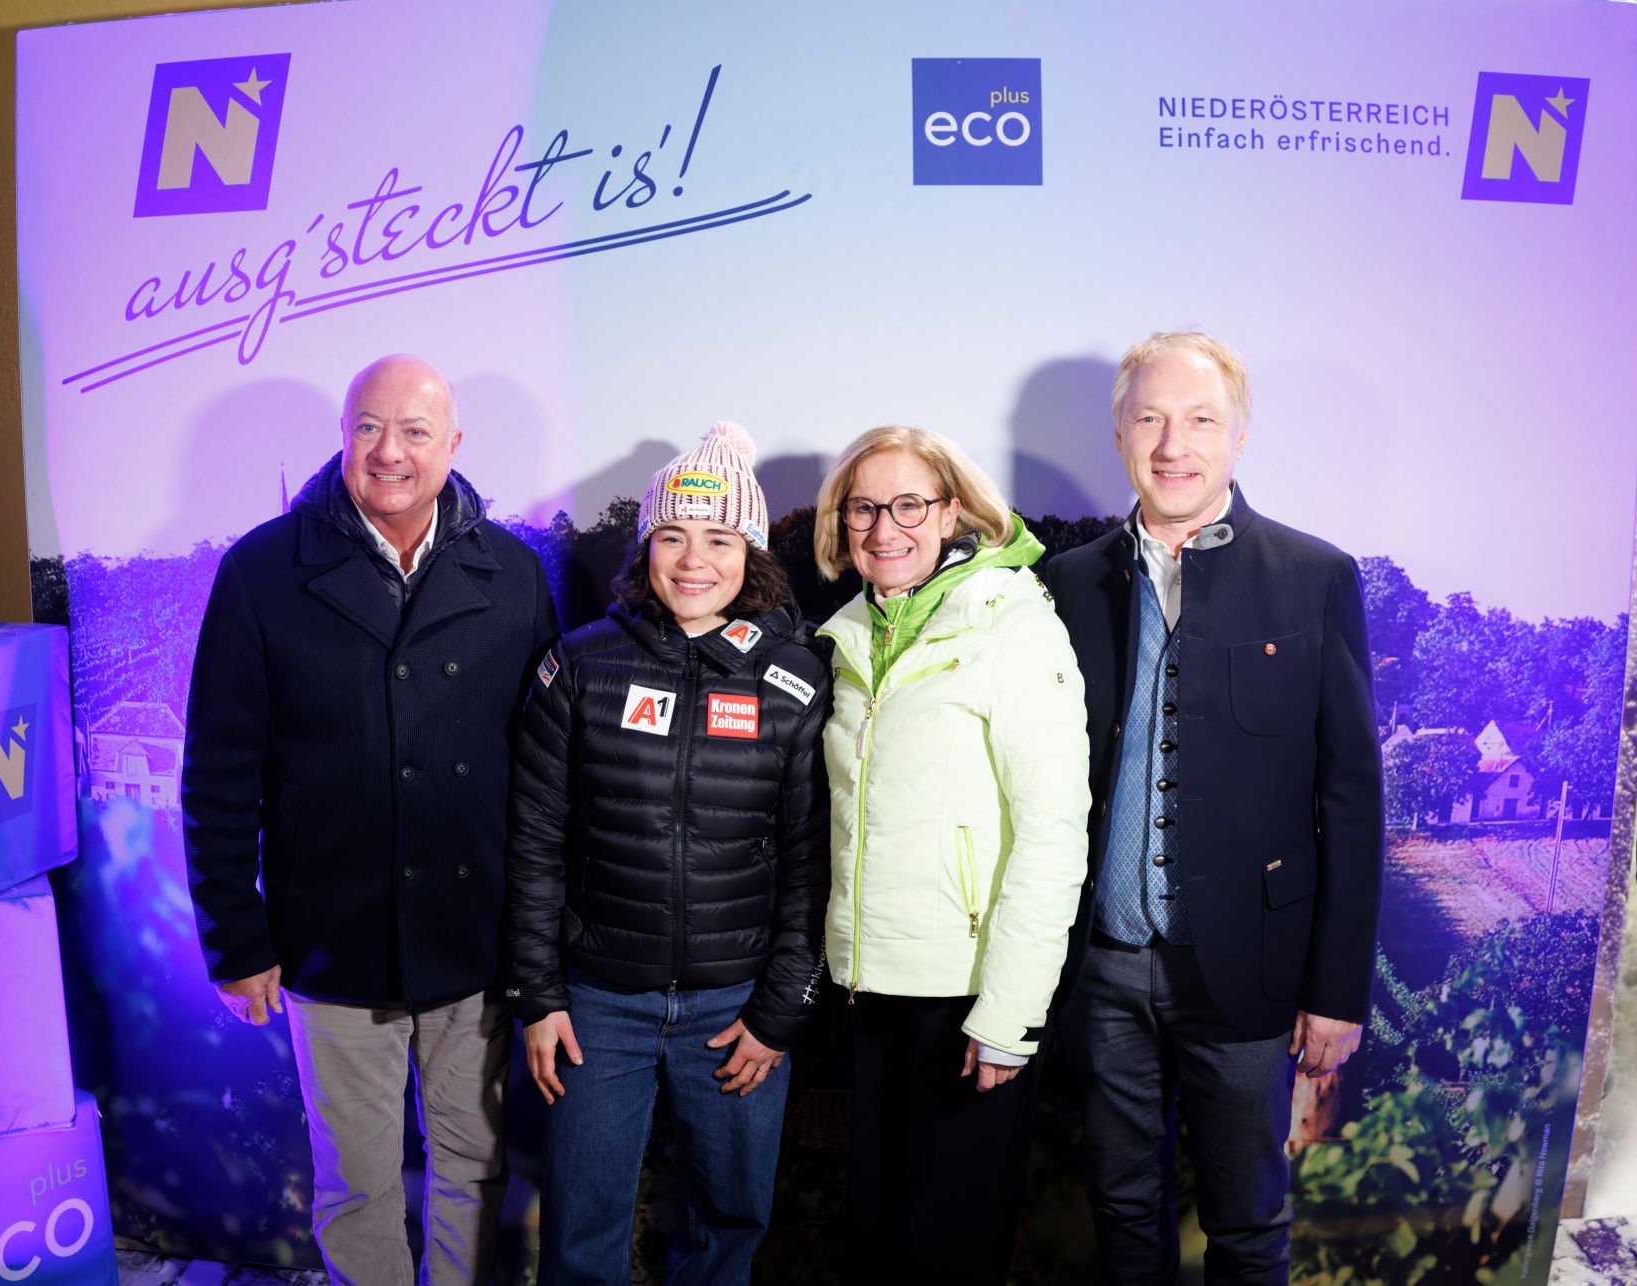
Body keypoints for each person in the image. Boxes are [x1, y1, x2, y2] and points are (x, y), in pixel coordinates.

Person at [182, 353, 557, 1286]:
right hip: (330, 938)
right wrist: (236, 934)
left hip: (476, 939)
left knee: (475, 1169)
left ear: (454, 446)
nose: (389, 452)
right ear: (342, 437)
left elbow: (550, 773)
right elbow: (218, 773)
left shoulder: (512, 572)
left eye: (415, 431)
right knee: (357, 1185)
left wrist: (541, 938)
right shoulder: (262, 570)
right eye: (367, 428)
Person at [1042, 330, 1383, 1284]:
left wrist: (1336, 989)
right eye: (1148, 418)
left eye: (1200, 421)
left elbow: (1351, 797)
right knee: (1121, 1207)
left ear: (1239, 439)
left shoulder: (1314, 577)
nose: (1172, 445)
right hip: (1104, 969)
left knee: (1245, 1220)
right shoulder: (1067, 586)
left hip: (1249, 970)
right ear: (1119, 435)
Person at [500, 421, 831, 1286]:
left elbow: (811, 864)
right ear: (647, 545)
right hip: (597, 1006)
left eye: (719, 538)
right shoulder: (577, 666)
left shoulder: (794, 681)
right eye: (672, 536)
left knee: (729, 1228)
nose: (693, 560)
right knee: (580, 1231)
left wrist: (780, 1012)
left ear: (750, 552)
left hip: (738, 1007)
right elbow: (533, 841)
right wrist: (539, 995)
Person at [811, 426, 1090, 1284]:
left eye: (908, 505)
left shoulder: (1012, 625)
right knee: (879, 1245)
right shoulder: (850, 633)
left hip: (969, 1001)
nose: (883, 527)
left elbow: (1053, 831)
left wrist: (1010, 1015)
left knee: (948, 1253)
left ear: (953, 513)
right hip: (870, 989)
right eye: (863, 507)